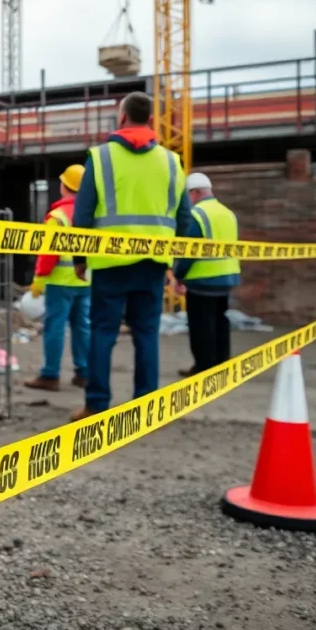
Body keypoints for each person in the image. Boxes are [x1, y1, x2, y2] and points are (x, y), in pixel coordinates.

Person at [68, 92, 193, 422]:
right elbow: (184, 218)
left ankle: (96, 405)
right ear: (151, 120)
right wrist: (176, 265)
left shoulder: (101, 157)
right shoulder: (171, 161)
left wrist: (78, 258)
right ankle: (146, 408)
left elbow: (82, 213)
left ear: (121, 117)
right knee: (146, 334)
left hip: (110, 264)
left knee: (102, 333)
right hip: (153, 262)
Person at [24, 165, 91, 392]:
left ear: (64, 187)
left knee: (55, 328)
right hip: (86, 281)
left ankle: (50, 375)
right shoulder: (92, 214)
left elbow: (48, 253)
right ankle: (84, 373)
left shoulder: (58, 217)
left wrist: (39, 280)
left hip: (60, 282)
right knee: (83, 327)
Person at [171, 172, 241, 376]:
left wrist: (179, 276)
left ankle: (204, 367)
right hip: (227, 278)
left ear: (195, 193)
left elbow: (190, 251)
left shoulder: (197, 215)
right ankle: (222, 364)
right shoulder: (228, 213)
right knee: (221, 321)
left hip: (203, 279)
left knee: (201, 325)